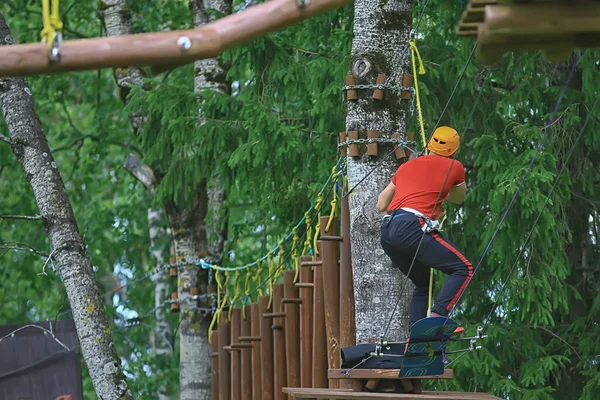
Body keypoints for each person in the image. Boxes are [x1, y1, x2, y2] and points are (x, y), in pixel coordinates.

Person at [376, 126, 473, 330]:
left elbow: (381, 205)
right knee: (463, 268)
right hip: (412, 225)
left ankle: (416, 333)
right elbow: (458, 198)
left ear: (429, 145)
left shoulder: (405, 167)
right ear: (454, 151)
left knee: (423, 282)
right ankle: (437, 317)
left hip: (387, 230)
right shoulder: (454, 166)